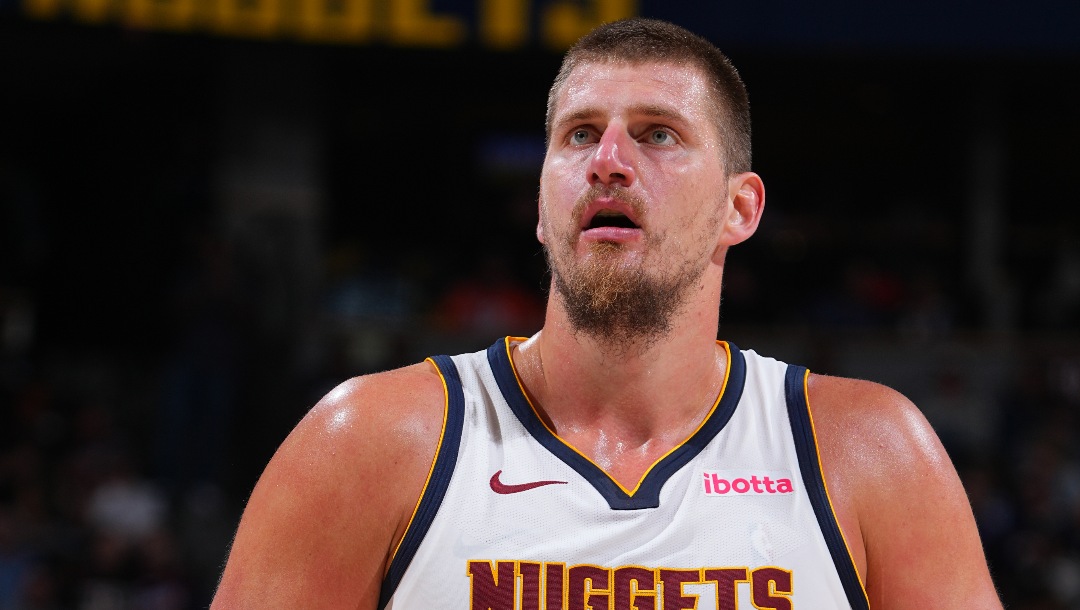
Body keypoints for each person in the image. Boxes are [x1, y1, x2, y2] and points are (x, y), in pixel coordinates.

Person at [211, 18, 1002, 609]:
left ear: (740, 207)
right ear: (541, 200)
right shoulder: (368, 444)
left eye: (657, 134)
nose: (609, 161)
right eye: (580, 134)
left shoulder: (872, 456)